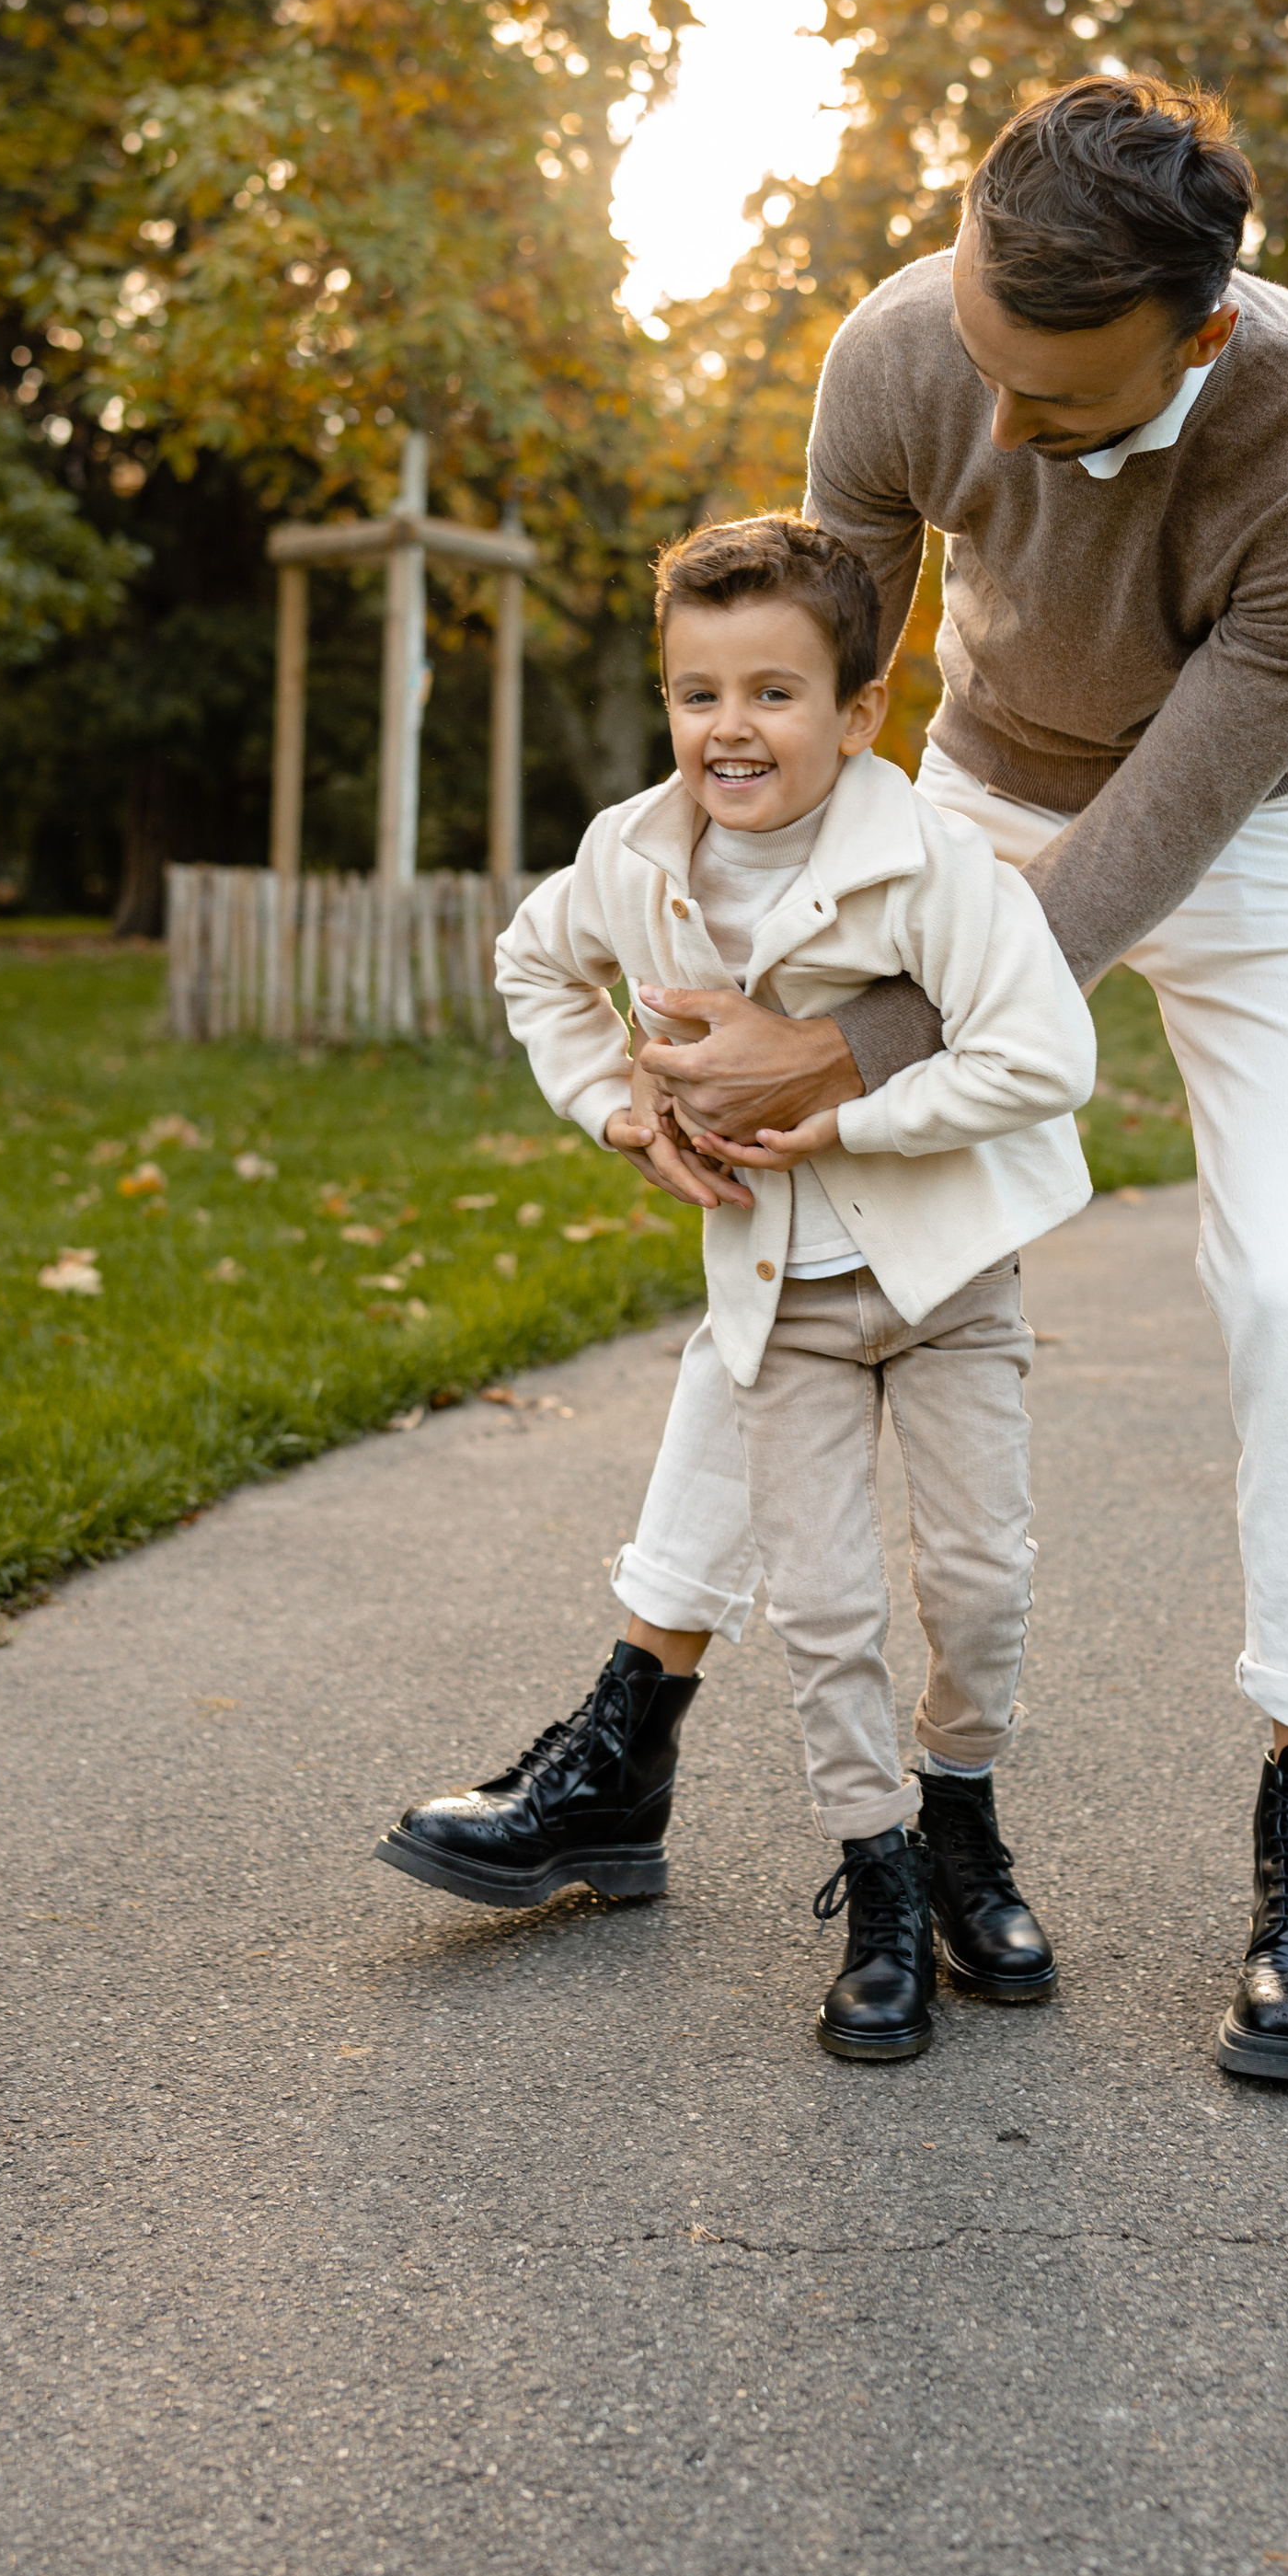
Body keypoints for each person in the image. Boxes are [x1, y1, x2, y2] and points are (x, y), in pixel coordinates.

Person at [384, 69, 1288, 2086]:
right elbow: (809, 692)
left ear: (1197, 330)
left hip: (1235, 829)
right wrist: (728, 1021)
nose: (1003, 434)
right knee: (788, 1222)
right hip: (949, 799)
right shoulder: (900, 348)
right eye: (983, 373)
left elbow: (1143, 843)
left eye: (1059, 406)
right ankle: (629, 1733)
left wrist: (851, 1042)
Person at [380, 512, 1098, 2062]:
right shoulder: (631, 863)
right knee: (826, 1607)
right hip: (789, 1304)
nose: (731, 729)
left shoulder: (928, 865)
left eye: (775, 694)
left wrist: (856, 1116)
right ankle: (882, 1882)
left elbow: (1049, 1055)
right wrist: (621, 1115)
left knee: (981, 1587)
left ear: (856, 716)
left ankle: (962, 1815)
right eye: (698, 694)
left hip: (951, 1280)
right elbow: (532, 965)